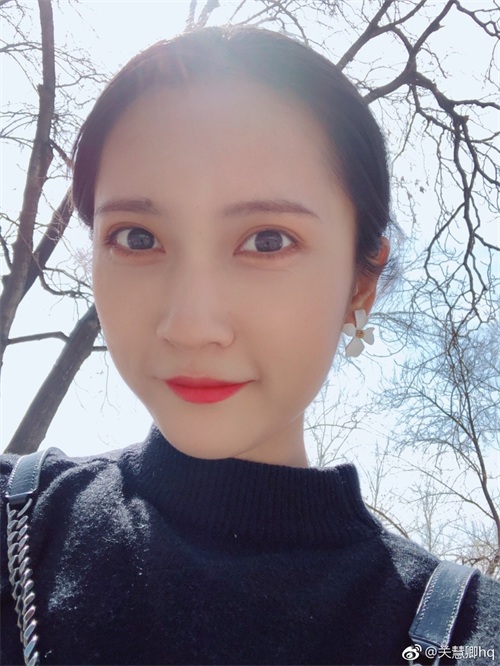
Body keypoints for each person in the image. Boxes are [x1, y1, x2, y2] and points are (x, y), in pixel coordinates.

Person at [1, 25, 498, 666]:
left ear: (360, 283)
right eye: (137, 238)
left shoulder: (464, 635)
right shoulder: (19, 523)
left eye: (267, 241)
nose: (191, 325)